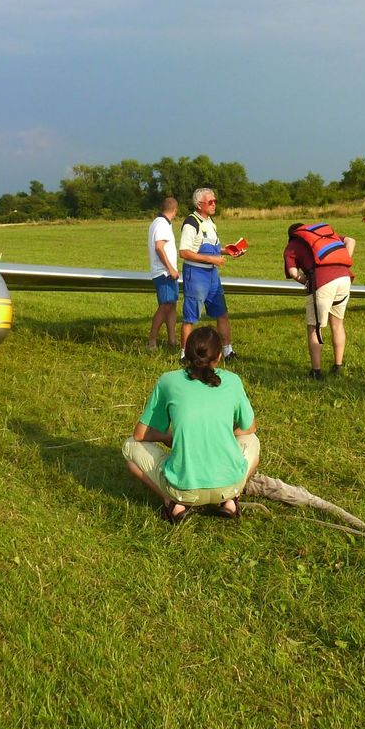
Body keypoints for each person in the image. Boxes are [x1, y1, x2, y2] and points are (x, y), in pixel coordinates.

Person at [122, 326, 260, 523]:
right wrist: (220, 434)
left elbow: (139, 434)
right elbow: (250, 427)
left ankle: (172, 503)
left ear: (186, 353)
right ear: (219, 356)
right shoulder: (232, 381)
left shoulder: (168, 381)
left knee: (129, 447)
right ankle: (231, 500)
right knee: (252, 440)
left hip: (182, 489)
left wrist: (168, 437)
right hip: (229, 485)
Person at [283, 222, 356, 380]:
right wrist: (345, 262)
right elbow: (351, 240)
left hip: (322, 281)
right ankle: (338, 366)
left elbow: (293, 272)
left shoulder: (292, 246)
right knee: (337, 324)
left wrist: (308, 282)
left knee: (314, 328)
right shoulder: (322, 235)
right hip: (344, 278)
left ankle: (316, 372)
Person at [178, 187, 239, 362]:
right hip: (196, 274)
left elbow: (212, 248)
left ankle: (227, 351)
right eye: (210, 202)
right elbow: (184, 252)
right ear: (199, 205)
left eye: (215, 201)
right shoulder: (191, 223)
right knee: (190, 317)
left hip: (212, 275)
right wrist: (211, 259)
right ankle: (184, 354)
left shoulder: (210, 222)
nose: (214, 204)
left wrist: (228, 250)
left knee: (222, 313)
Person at [147, 197, 179, 350]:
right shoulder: (162, 224)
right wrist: (170, 268)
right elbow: (159, 247)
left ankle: (172, 340)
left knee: (171, 305)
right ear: (175, 210)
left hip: (167, 272)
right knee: (165, 306)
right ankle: (152, 341)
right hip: (164, 273)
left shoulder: (159, 223)